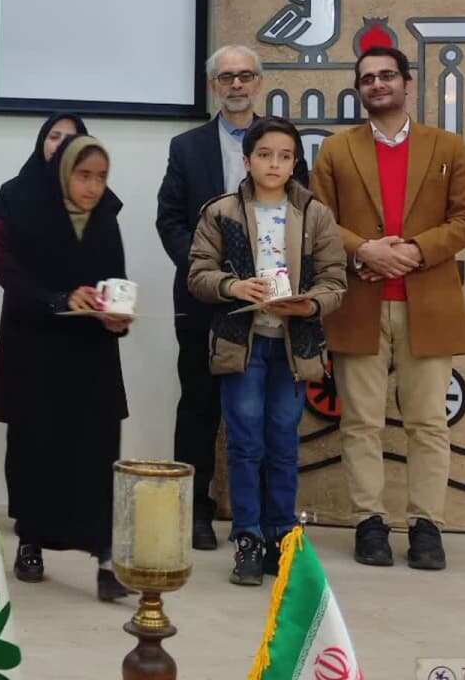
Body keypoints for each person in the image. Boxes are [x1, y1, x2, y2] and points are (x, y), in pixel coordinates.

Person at [311, 46, 465, 571]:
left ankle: (427, 526)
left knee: (428, 423)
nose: (378, 84)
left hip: (428, 303)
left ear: (407, 83)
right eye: (368, 78)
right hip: (358, 304)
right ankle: (370, 523)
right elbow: (318, 220)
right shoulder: (337, 150)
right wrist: (365, 250)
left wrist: (412, 251)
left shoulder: (448, 146)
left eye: (387, 75)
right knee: (360, 422)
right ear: (358, 89)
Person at [155, 45, 307, 549]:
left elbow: (304, 213)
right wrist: (208, 271)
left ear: (259, 82)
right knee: (198, 407)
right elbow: (169, 219)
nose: (236, 84)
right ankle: (196, 511)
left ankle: (263, 522)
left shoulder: (281, 141)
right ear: (213, 86)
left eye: (245, 75)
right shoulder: (186, 147)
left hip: (272, 306)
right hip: (203, 301)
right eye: (226, 77)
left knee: (268, 418)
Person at [188, 117, 347, 586]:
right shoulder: (221, 211)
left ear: (295, 163)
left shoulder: (315, 214)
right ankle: (248, 539)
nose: (274, 164)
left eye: (284, 156)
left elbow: (335, 281)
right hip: (243, 344)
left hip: (294, 346)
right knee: (244, 444)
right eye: (264, 155)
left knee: (282, 441)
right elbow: (198, 274)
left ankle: (282, 537)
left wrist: (309, 303)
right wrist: (233, 286)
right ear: (247, 160)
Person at [0, 133, 133, 601]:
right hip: (39, 355)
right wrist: (60, 299)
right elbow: (16, 282)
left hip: (92, 358)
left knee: (98, 454)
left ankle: (106, 561)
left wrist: (116, 317)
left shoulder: (105, 220)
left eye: (101, 177)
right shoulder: (32, 215)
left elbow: (116, 283)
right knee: (37, 452)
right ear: (63, 173)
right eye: (83, 175)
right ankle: (30, 542)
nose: (92, 187)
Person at [0, 113, 87, 426]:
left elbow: (104, 258)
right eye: (54, 136)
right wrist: (45, 298)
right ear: (42, 142)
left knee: (78, 427)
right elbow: (0, 255)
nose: (60, 144)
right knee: (27, 429)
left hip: (82, 327)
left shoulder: (96, 196)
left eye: (70, 138)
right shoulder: (14, 193)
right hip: (28, 321)